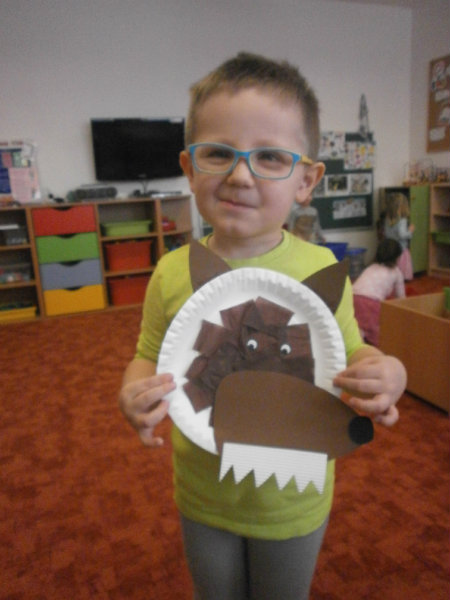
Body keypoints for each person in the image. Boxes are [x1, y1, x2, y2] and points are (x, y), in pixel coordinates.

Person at [119, 52, 406, 600]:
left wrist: (386, 371)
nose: (240, 174)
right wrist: (132, 391)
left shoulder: (322, 269)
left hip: (293, 495)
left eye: (270, 156)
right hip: (204, 492)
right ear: (189, 168)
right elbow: (149, 354)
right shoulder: (171, 272)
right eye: (218, 153)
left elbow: (350, 351)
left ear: (306, 181)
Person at [352, 238, 405, 347]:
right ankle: (376, 350)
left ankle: (360, 342)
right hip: (371, 302)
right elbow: (401, 299)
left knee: (359, 325)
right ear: (397, 257)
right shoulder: (396, 272)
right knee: (376, 331)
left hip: (353, 297)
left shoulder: (371, 267)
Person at [383, 192, 415, 280]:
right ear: (401, 208)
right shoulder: (402, 221)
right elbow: (402, 235)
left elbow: (386, 234)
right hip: (401, 249)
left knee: (392, 268)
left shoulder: (387, 220)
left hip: (390, 249)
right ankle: (400, 280)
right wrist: (410, 231)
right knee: (401, 270)